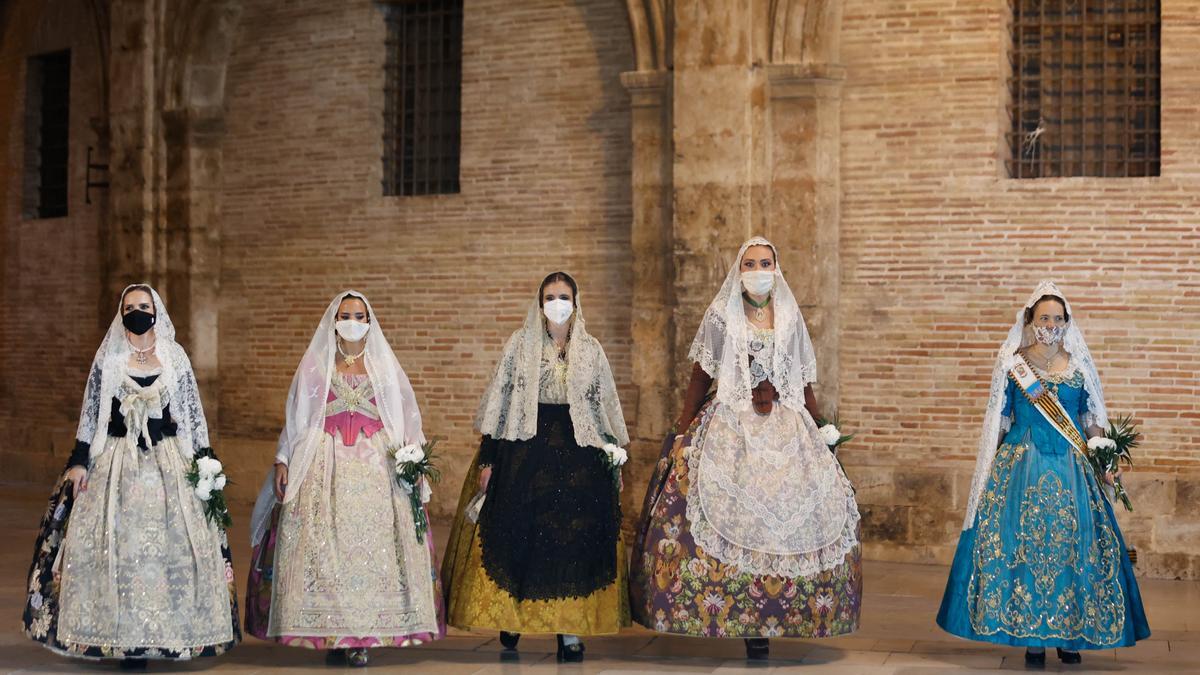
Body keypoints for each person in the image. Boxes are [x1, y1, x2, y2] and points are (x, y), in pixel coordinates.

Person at [629, 237, 862, 659]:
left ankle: (786, 615)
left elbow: (804, 381)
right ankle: (740, 616)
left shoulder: (790, 315)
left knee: (794, 517)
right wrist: (683, 433)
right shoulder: (721, 315)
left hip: (786, 423)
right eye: (750, 263)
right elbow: (700, 379)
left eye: (765, 262)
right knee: (728, 516)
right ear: (739, 270)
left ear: (777, 267)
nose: (758, 269)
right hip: (729, 423)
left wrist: (822, 428)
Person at [23, 284, 239, 669]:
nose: (136, 311)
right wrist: (79, 461)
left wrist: (205, 464)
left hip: (167, 460)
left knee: (172, 548)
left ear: (156, 311)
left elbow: (191, 416)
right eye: (129, 307)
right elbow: (92, 415)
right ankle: (124, 642)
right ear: (120, 313)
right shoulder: (110, 357)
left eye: (143, 305)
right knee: (118, 547)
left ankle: (170, 636)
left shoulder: (174, 357)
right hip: (116, 460)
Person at [936, 281, 1150, 667]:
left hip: (1072, 468)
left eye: (1057, 318)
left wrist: (1105, 463)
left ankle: (1070, 637)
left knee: (1074, 547)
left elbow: (1091, 422)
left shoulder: (1079, 365)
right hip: (1021, 466)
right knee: (1027, 548)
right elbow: (998, 423)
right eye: (1043, 317)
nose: (1050, 324)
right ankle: (1033, 638)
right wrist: (990, 468)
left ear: (1067, 323)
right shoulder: (1013, 364)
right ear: (1030, 321)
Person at [245, 291, 443, 667]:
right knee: (322, 549)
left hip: (376, 467)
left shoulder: (384, 369)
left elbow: (407, 418)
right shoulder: (315, 367)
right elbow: (296, 419)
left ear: (370, 322)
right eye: (345, 314)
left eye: (359, 314)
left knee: (370, 550)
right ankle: (330, 633)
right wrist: (283, 459)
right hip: (322, 463)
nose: (352, 320)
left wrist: (413, 461)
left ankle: (362, 636)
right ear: (333, 321)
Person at [441, 272, 630, 662]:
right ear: (539, 301)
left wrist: (613, 459)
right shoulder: (519, 346)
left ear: (576, 301)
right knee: (519, 536)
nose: (557, 303)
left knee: (572, 543)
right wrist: (490, 459)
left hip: (580, 457)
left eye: (564, 296)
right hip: (525, 452)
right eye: (550, 296)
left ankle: (569, 631)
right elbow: (501, 401)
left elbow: (604, 408)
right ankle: (514, 617)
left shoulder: (591, 349)